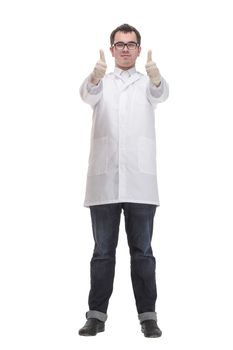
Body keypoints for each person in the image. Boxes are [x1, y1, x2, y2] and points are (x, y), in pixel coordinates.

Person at [78, 23, 169, 337]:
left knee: (142, 251)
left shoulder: (147, 84)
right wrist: (94, 77)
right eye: (120, 44)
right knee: (103, 252)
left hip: (140, 183)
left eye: (131, 44)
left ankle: (148, 317)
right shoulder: (102, 83)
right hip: (104, 182)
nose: (126, 49)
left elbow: (161, 93)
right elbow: (86, 94)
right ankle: (96, 316)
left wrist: (156, 77)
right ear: (112, 48)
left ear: (139, 50)